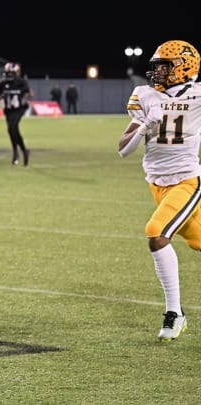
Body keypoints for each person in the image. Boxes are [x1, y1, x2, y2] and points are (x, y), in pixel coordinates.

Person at [118, 39, 201, 342]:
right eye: (157, 66)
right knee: (198, 241)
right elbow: (123, 150)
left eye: (165, 66)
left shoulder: (198, 94)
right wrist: (143, 128)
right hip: (157, 185)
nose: (158, 72)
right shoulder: (144, 95)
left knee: (156, 232)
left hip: (186, 181)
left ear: (183, 67)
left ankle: (175, 313)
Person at [0, 62, 32, 166]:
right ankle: (23, 150)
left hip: (19, 109)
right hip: (9, 110)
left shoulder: (21, 82)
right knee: (13, 131)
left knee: (12, 128)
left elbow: (29, 93)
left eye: (11, 73)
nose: (9, 75)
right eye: (7, 73)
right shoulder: (2, 84)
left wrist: (28, 96)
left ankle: (16, 153)